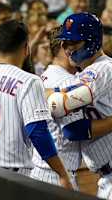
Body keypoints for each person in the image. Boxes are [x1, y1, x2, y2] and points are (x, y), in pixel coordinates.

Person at [0, 20, 72, 189]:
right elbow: (37, 132)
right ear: (26, 48)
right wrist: (61, 173)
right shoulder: (29, 81)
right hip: (8, 178)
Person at [45, 13, 112, 199]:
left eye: (73, 42)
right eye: (64, 43)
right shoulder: (88, 73)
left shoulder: (102, 69)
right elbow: (71, 127)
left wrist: (39, 93)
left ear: (92, 41)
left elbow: (57, 105)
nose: (66, 48)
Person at [30, 27, 81, 188]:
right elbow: (75, 131)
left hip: (40, 169)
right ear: (63, 47)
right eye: (75, 44)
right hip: (58, 174)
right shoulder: (66, 81)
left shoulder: (45, 75)